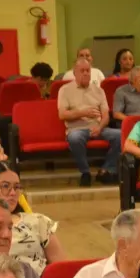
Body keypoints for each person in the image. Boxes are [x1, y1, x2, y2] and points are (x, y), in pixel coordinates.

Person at [0, 161, 61, 274]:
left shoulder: (39, 222)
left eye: (17, 187)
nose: (13, 193)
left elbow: (61, 270)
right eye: (5, 186)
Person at [58, 56, 121, 187]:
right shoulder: (65, 90)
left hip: (98, 127)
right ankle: (85, 172)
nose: (86, 73)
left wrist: (100, 127)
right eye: (82, 71)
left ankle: (106, 169)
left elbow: (105, 116)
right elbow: (62, 114)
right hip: (76, 129)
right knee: (74, 138)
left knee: (121, 135)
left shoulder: (98, 90)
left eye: (88, 70)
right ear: (75, 73)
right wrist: (83, 113)